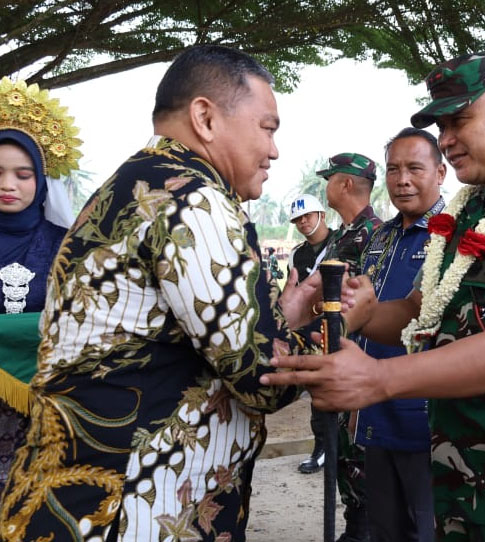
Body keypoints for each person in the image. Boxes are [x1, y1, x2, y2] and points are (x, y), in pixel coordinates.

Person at [263, 50, 485, 541]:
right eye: (441, 125)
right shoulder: (467, 212)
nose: (445, 140)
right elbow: (415, 311)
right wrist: (363, 316)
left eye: (459, 120)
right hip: (454, 471)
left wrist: (380, 378)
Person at [0, 45, 326, 542]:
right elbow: (261, 380)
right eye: (267, 127)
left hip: (76, 502)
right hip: (135, 514)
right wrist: (337, 327)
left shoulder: (126, 187)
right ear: (205, 117)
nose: (274, 150)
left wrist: (279, 319)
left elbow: (168, 336)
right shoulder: (194, 199)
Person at [355, 127, 445, 542]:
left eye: (414, 168)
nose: (402, 180)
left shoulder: (455, 236)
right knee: (383, 529)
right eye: (393, 169)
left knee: (425, 529)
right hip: (375, 411)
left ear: (440, 173)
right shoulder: (381, 237)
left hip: (423, 417)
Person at [0, 78, 78, 497]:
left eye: (23, 174)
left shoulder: (68, 245)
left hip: (51, 402)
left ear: (43, 180)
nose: (8, 184)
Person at [318, 151, 383, 542]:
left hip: (359, 355)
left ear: (345, 183)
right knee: (340, 445)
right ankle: (355, 524)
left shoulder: (374, 233)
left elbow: (369, 303)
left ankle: (364, 528)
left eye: (330, 178)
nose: (325, 185)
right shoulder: (342, 235)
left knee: (357, 448)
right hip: (338, 355)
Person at [286, 192, 333, 475]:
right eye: (298, 219)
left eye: (308, 216)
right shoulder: (297, 253)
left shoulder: (342, 242)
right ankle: (322, 449)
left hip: (345, 326)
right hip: (312, 330)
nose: (303, 222)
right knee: (318, 392)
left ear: (322, 215)